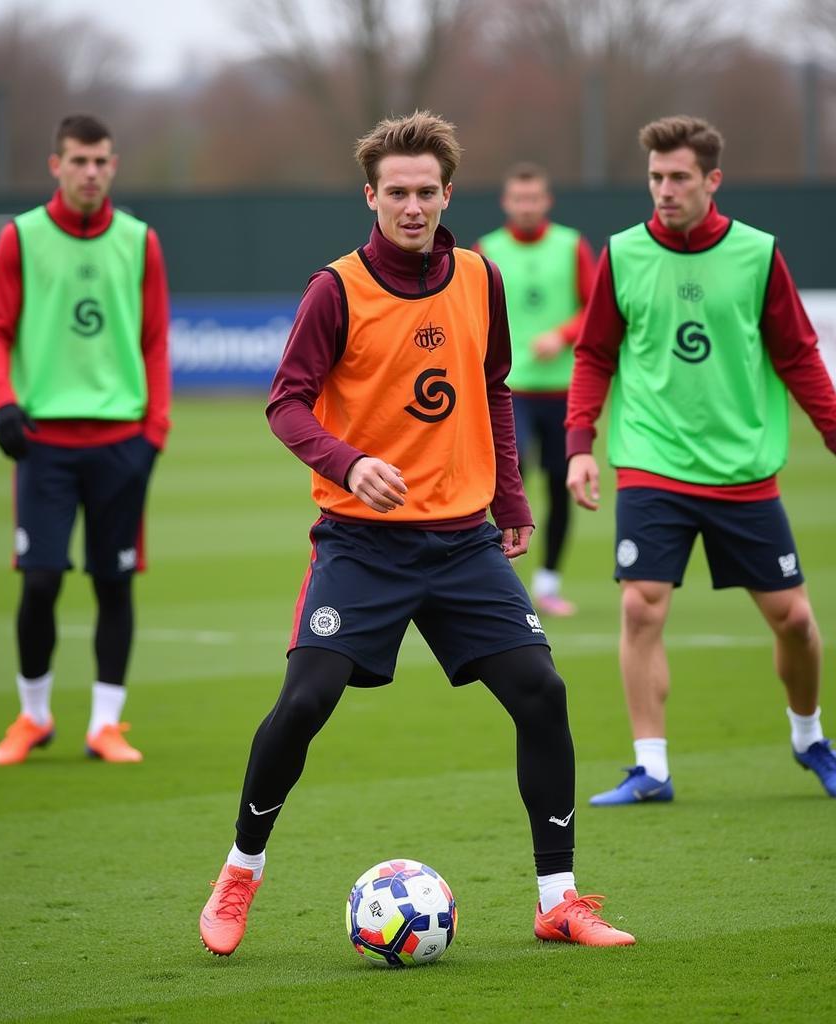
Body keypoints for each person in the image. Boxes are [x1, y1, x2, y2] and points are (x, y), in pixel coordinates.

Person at [199, 111, 634, 956]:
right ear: (371, 195)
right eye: (395, 192)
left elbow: (495, 388)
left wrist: (509, 500)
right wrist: (348, 460)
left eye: (426, 192)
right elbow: (286, 402)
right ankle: (240, 870)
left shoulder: (480, 276)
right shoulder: (336, 289)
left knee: (542, 695)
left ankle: (559, 900)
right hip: (361, 544)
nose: (411, 206)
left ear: (446, 194)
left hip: (463, 543)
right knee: (305, 702)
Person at [565, 115, 836, 806]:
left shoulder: (759, 254)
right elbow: (594, 356)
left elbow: (798, 355)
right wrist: (580, 447)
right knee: (642, 609)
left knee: (794, 619)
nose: (664, 190)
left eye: (678, 177)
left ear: (712, 179)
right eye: (655, 177)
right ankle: (651, 767)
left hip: (742, 471)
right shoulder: (621, 253)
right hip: (651, 462)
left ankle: (809, 738)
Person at [0, 114, 171, 766]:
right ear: (54, 165)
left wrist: (154, 433)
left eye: (101, 161)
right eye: (78, 160)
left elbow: (155, 342)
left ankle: (105, 725)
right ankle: (33, 716)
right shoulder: (21, 238)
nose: (91, 172)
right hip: (44, 444)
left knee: (114, 585)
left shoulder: (140, 241)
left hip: (122, 443)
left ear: (114, 166)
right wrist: (2, 402)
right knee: (39, 582)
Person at [476, 164, 595, 617]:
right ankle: (499, 578)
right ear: (507, 203)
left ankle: (548, 583)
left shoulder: (571, 245)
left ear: (547, 201)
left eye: (534, 199)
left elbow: (595, 309)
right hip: (510, 389)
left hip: (565, 390)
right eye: (518, 199)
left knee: (562, 486)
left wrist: (561, 336)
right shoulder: (488, 250)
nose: (526, 206)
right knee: (509, 475)